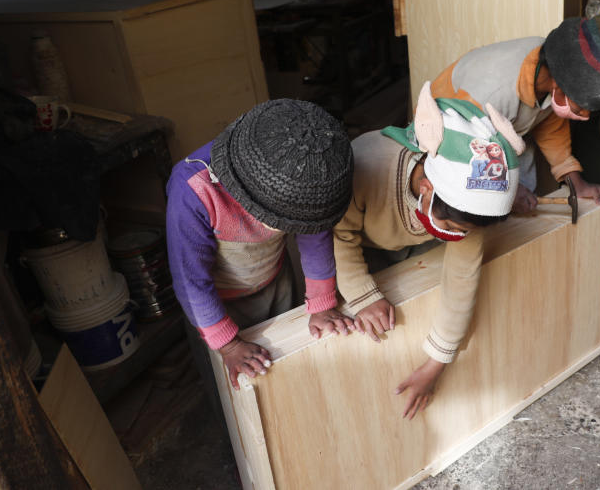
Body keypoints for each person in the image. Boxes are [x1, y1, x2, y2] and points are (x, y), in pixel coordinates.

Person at [332, 82, 524, 419]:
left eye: (462, 232)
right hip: (356, 244)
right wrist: (363, 295)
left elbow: (461, 281)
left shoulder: (465, 209)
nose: (457, 236)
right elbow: (340, 238)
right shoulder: (364, 166)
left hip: (404, 245)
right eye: (450, 228)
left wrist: (436, 364)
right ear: (427, 188)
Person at [166, 99, 355, 397]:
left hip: (276, 280)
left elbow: (315, 235)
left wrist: (322, 303)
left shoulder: (307, 176)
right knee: (239, 389)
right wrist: (228, 344)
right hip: (215, 304)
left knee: (291, 375)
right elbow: (192, 282)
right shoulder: (192, 188)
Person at [429, 13, 600, 212]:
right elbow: (461, 148)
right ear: (559, 85)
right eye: (581, 105)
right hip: (449, 139)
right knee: (472, 212)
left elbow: (551, 127)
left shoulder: (555, 67)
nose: (584, 114)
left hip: (505, 136)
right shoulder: (491, 93)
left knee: (520, 207)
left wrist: (576, 183)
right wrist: (506, 191)